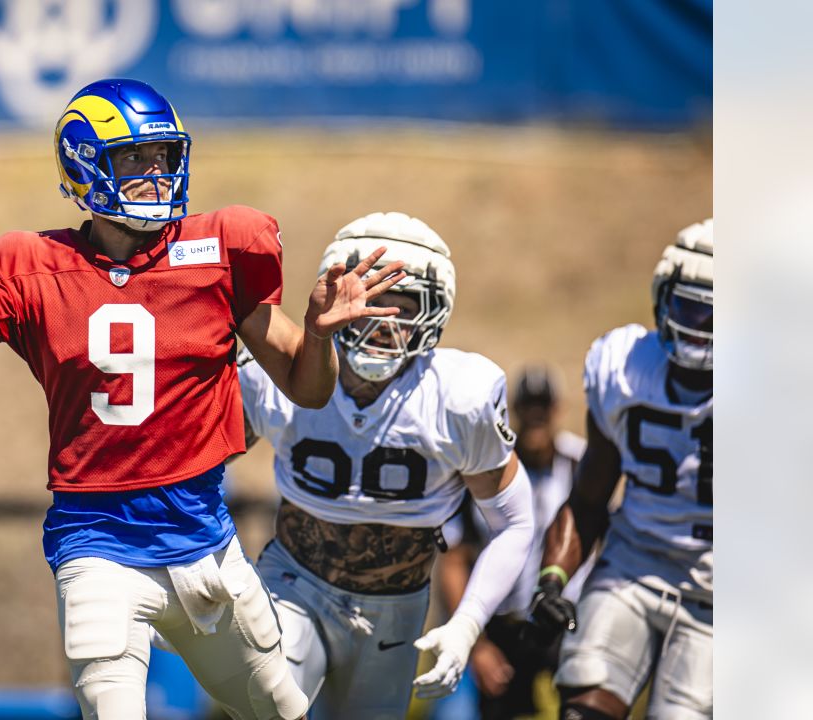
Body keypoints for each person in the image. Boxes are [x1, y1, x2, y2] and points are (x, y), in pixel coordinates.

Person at [0, 77, 408, 720]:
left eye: (163, 157)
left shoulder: (221, 251)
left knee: (285, 714)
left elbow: (309, 390)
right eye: (133, 159)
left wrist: (316, 333)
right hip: (98, 552)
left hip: (207, 549)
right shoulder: (33, 269)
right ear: (85, 166)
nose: (155, 175)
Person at [236, 212, 536, 719]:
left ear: (433, 313)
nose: (382, 324)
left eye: (402, 308)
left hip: (395, 613)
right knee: (273, 706)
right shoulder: (282, 374)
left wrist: (468, 625)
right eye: (371, 302)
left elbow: (516, 523)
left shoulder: (458, 399)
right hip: (292, 582)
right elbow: (191, 468)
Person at [530, 220, 714, 719]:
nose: (699, 329)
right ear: (662, 299)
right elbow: (590, 498)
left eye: (715, 316)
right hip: (633, 568)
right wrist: (552, 580)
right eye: (690, 309)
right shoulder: (626, 369)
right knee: (582, 703)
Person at [432, 365, 591, 719]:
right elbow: (455, 559)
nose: (535, 416)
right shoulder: (487, 470)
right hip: (503, 625)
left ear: (557, 410)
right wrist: (475, 644)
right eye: (527, 407)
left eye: (543, 406)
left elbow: (607, 543)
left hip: (568, 622)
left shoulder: (581, 464)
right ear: (512, 411)